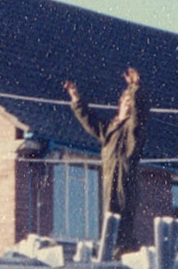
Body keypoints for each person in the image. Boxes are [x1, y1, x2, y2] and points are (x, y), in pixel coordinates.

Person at [63, 68, 150, 234]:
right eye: (125, 102)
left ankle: (121, 254)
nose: (128, 106)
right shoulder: (110, 129)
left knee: (122, 225)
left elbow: (141, 114)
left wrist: (134, 88)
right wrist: (75, 98)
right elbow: (90, 121)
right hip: (110, 180)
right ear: (120, 105)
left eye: (131, 104)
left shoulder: (132, 131)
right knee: (109, 222)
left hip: (124, 181)